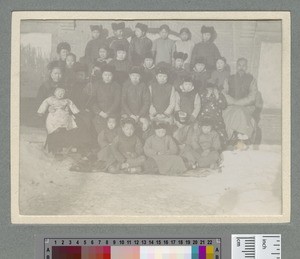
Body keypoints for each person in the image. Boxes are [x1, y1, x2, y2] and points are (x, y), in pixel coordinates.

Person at [222, 57, 258, 149]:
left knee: (240, 112)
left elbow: (252, 96)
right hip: (231, 106)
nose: (241, 67)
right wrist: (233, 102)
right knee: (229, 114)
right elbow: (224, 93)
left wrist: (238, 103)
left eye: (244, 66)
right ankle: (230, 139)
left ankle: (240, 139)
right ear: (236, 66)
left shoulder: (251, 79)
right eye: (239, 65)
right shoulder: (229, 78)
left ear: (247, 67)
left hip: (246, 107)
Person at [37, 88, 80, 155]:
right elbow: (44, 103)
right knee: (54, 129)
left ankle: (63, 146)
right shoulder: (51, 99)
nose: (60, 94)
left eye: (62, 93)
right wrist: (41, 111)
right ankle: (54, 148)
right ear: (54, 93)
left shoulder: (66, 100)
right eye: (59, 93)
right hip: (54, 116)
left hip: (64, 117)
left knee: (66, 129)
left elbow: (72, 105)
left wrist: (76, 112)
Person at [92, 64, 122, 134]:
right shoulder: (96, 84)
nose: (107, 77)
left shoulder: (116, 86)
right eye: (105, 75)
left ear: (112, 76)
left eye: (109, 75)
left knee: (112, 128)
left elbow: (117, 102)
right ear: (102, 75)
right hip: (99, 113)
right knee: (99, 129)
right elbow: (92, 101)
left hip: (112, 113)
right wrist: (100, 112)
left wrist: (108, 112)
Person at [198, 82, 228, 148]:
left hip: (216, 119)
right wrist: (208, 95)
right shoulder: (203, 95)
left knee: (220, 131)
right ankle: (203, 146)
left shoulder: (219, 95)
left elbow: (223, 106)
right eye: (209, 89)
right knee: (202, 131)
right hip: (204, 118)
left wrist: (217, 96)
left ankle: (220, 147)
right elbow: (199, 105)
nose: (211, 90)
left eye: (213, 89)